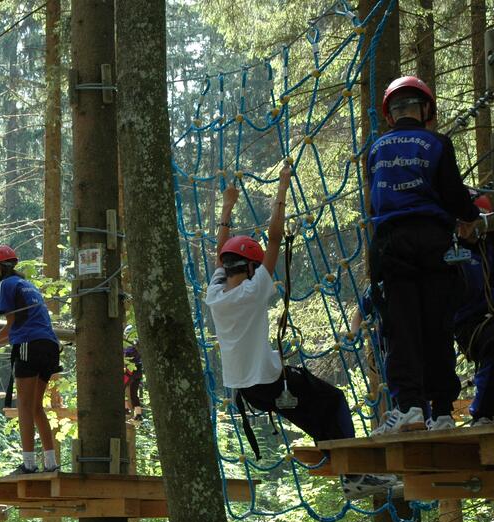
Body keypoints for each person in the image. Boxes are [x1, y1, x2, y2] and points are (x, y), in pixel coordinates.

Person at [204, 166, 395, 498]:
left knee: (322, 415)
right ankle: (354, 478)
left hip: (247, 391)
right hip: (271, 382)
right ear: (250, 267)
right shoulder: (254, 290)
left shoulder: (216, 296)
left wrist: (227, 206)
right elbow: (275, 238)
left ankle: (346, 468)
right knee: (334, 402)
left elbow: (222, 255)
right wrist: (282, 186)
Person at [367, 76, 482, 434]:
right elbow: (455, 197)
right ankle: (444, 412)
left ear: (390, 115)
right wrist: (472, 216)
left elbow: (375, 199)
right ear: (426, 109)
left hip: (392, 244)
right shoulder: (436, 143)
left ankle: (411, 408)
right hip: (434, 244)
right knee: (437, 327)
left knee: (402, 329)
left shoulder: (376, 150)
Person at [0, 245, 61, 474]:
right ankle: (51, 464)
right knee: (36, 406)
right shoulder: (27, 286)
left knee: (24, 406)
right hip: (49, 346)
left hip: (29, 345)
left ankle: (28, 465)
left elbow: (11, 328)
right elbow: (16, 330)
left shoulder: (6, 285)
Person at [454, 191, 494, 427]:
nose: (464, 229)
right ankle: (482, 413)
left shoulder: (490, 248)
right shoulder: (452, 253)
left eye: (469, 222)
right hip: (471, 324)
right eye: (460, 223)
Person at [123, 325, 144, 420]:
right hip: (138, 372)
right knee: (133, 394)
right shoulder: (138, 345)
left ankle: (126, 409)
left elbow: (127, 358)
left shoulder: (128, 347)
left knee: (120, 389)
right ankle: (138, 415)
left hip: (130, 371)